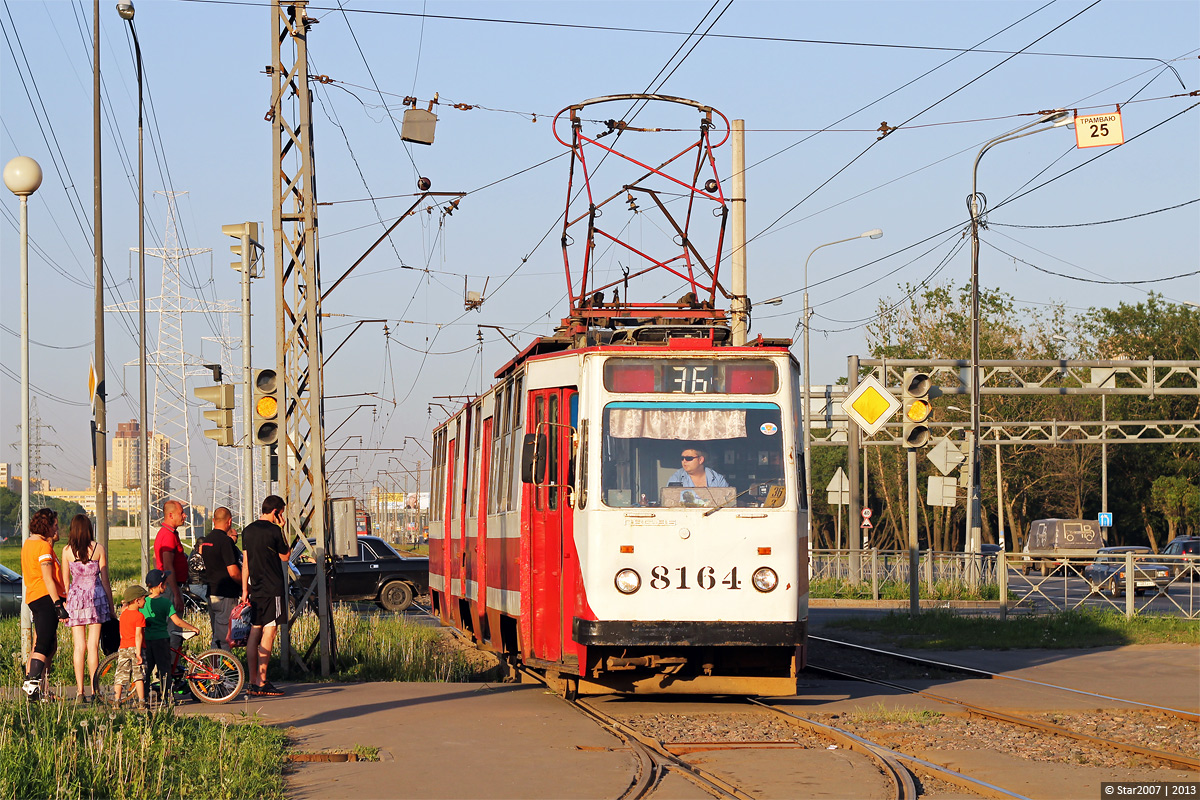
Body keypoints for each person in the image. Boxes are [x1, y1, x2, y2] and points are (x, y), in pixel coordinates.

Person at [60, 514, 115, 702]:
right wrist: (111, 606)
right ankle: (95, 690)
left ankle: (79, 692)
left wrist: (66, 603)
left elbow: (65, 583)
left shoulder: (67, 551)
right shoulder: (98, 549)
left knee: (79, 647)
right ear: (89, 528)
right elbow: (105, 581)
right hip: (96, 597)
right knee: (93, 647)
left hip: (76, 598)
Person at [241, 495, 290, 697]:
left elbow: (246, 563)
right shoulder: (275, 530)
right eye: (282, 512)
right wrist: (283, 528)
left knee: (254, 632)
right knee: (269, 632)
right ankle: (262, 681)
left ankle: (252, 680)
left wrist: (245, 589)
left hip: (256, 588)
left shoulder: (248, 530)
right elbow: (285, 555)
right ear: (277, 512)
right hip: (273, 588)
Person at [21, 508, 67, 700]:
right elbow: (48, 578)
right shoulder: (42, 547)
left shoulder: (28, 544)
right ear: (46, 525)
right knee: (43, 644)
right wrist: (58, 604)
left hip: (33, 596)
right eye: (55, 525)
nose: (56, 528)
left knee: (48, 643)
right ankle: (32, 686)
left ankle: (37, 686)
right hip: (45, 597)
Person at [142, 569, 201, 704]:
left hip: (148, 640)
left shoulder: (143, 602)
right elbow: (177, 621)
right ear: (161, 585)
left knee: (147, 670)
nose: (166, 586)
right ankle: (167, 698)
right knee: (165, 670)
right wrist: (192, 628)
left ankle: (144, 697)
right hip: (162, 640)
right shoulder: (165, 603)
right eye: (165, 584)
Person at [200, 506, 241, 649]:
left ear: (213, 520)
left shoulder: (205, 541)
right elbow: (233, 572)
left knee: (216, 636)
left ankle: (214, 668)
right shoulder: (225, 542)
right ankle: (219, 670)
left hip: (211, 593)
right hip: (226, 595)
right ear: (229, 521)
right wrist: (245, 586)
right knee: (224, 639)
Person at [114, 584, 148, 708]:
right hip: (135, 647)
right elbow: (138, 635)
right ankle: (141, 701)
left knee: (121, 675)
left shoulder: (123, 615)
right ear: (137, 600)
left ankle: (117, 701)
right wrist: (138, 653)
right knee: (138, 675)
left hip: (123, 647)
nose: (145, 601)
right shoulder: (139, 616)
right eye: (144, 599)